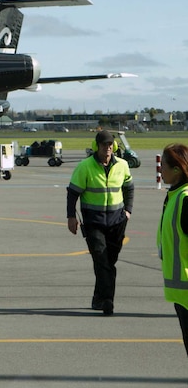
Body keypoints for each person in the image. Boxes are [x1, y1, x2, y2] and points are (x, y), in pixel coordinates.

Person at [66, 130, 134, 315]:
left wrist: (128, 210)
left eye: (111, 144)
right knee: (101, 259)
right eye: (104, 144)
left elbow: (129, 188)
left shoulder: (122, 165)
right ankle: (107, 300)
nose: (108, 147)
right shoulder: (85, 166)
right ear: (97, 146)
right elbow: (73, 193)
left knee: (108, 262)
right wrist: (71, 217)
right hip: (93, 222)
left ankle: (98, 297)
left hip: (117, 222)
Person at [157, 143, 188, 357]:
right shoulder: (174, 196)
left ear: (177, 170)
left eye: (164, 166)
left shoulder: (185, 199)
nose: (161, 170)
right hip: (182, 294)